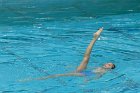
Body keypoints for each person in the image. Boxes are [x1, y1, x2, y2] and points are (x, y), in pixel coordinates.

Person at [20, 27, 115, 82]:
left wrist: (86, 80)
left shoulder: (105, 72)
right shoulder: (101, 68)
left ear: (111, 68)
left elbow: (96, 77)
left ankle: (33, 79)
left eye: (110, 65)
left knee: (60, 75)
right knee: (86, 58)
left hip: (84, 74)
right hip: (84, 72)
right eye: (108, 63)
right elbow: (93, 71)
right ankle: (94, 38)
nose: (107, 64)